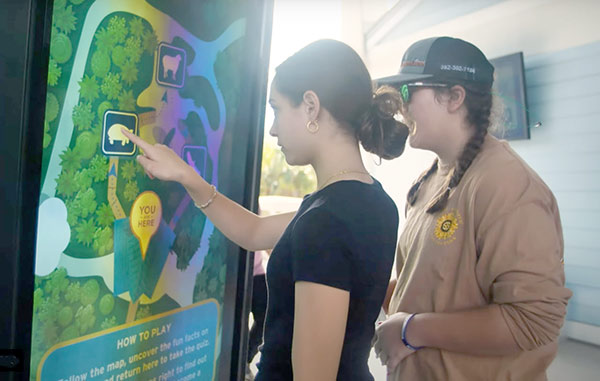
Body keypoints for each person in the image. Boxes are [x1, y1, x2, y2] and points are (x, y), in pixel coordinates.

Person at [123, 39, 409, 380]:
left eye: (276, 109)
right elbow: (255, 232)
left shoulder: (324, 222)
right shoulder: (372, 201)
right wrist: (186, 176)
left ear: (310, 106)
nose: (272, 129)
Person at [373, 36, 572, 380]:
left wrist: (411, 330)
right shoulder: (427, 182)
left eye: (408, 93)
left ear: (454, 97)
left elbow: (533, 321)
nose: (401, 108)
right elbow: (436, 285)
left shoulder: (507, 186)